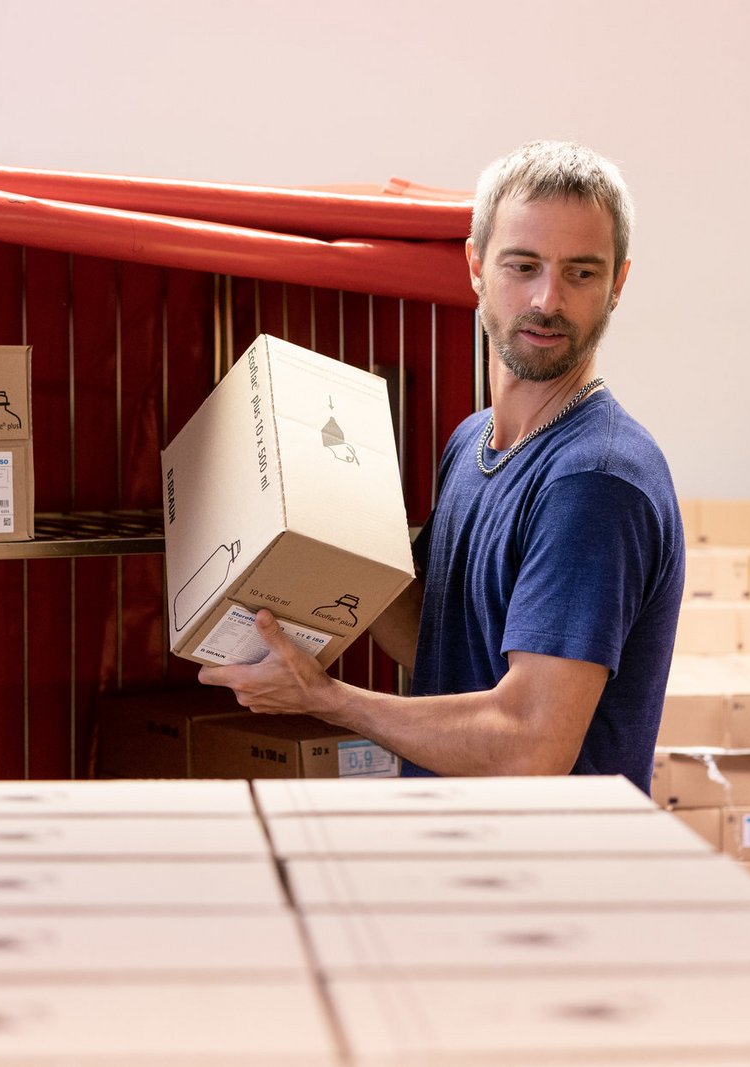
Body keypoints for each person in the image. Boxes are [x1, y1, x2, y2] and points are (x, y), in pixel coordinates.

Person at [197, 140, 684, 794]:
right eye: (523, 265)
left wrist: (326, 697)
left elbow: (528, 743)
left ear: (618, 283)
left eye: (581, 273)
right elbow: (444, 643)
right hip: (463, 853)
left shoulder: (594, 481)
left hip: (552, 884)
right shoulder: (472, 442)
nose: (547, 299)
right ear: (477, 267)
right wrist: (323, 523)